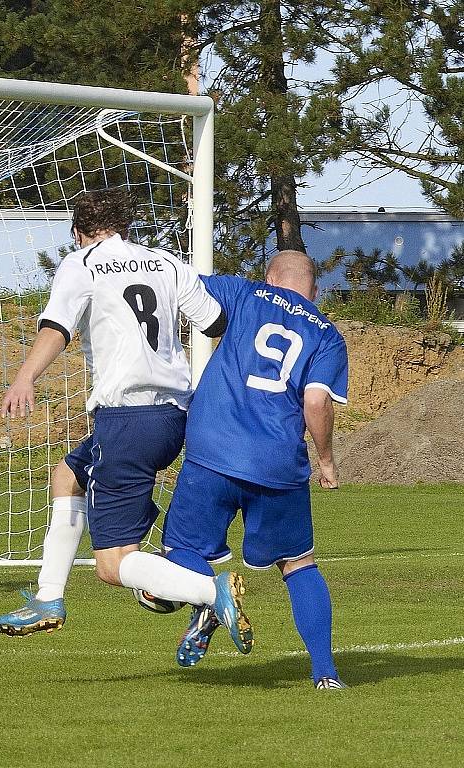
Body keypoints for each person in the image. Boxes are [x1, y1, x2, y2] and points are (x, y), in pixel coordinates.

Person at [0, 188, 253, 656]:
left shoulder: (82, 263)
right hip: (173, 417)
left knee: (113, 565)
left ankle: (211, 593)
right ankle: (49, 596)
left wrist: (24, 377)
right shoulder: (167, 263)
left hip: (126, 420)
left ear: (78, 233)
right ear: (126, 228)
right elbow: (215, 323)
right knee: (67, 475)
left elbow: (56, 328)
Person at [162, 249, 348, 689]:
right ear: (314, 291)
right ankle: (325, 673)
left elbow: (180, 284)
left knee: (179, 550)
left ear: (268, 277)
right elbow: (317, 401)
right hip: (277, 463)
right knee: (299, 565)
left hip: (212, 451)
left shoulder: (245, 293)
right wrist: (326, 461)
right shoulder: (327, 335)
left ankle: (209, 598)